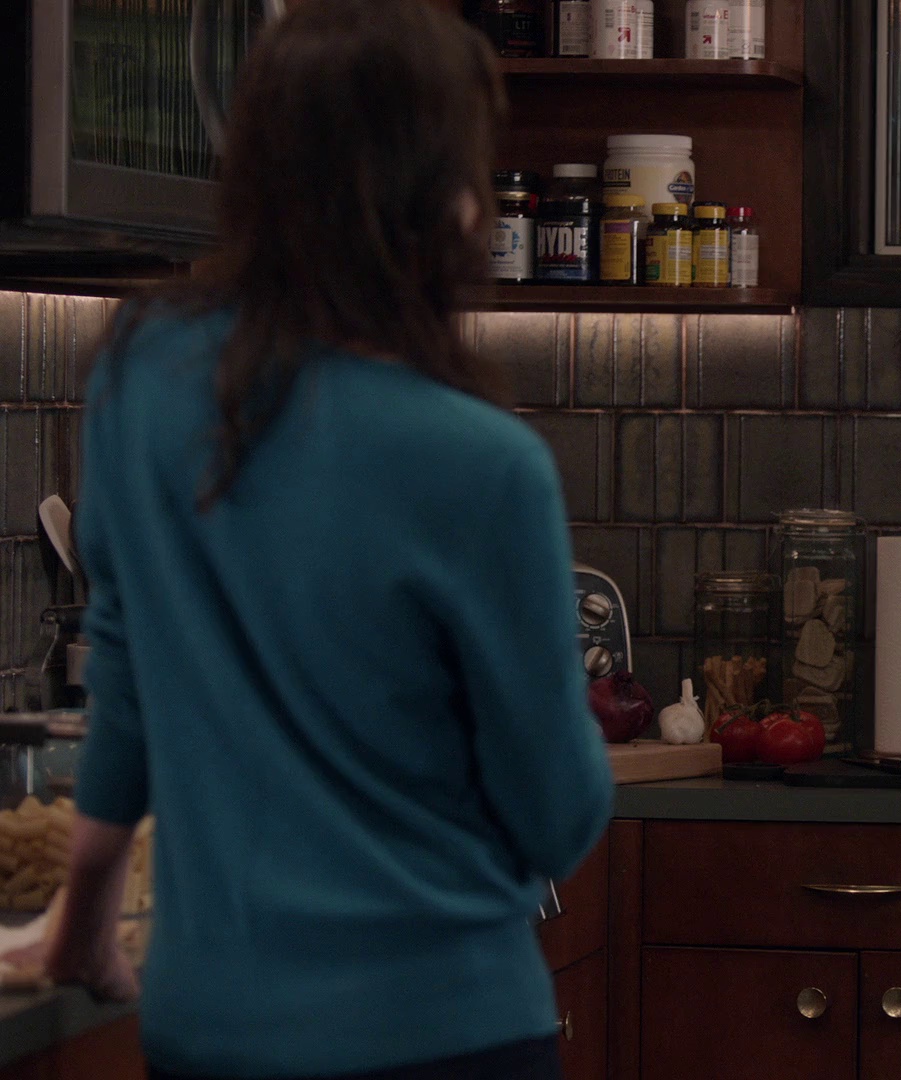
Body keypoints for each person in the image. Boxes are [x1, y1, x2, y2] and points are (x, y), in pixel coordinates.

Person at [43, 2, 615, 1077]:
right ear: (446, 199)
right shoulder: (483, 464)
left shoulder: (140, 376)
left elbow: (124, 672)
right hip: (445, 1029)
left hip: (212, 1030)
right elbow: (556, 813)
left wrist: (82, 919)